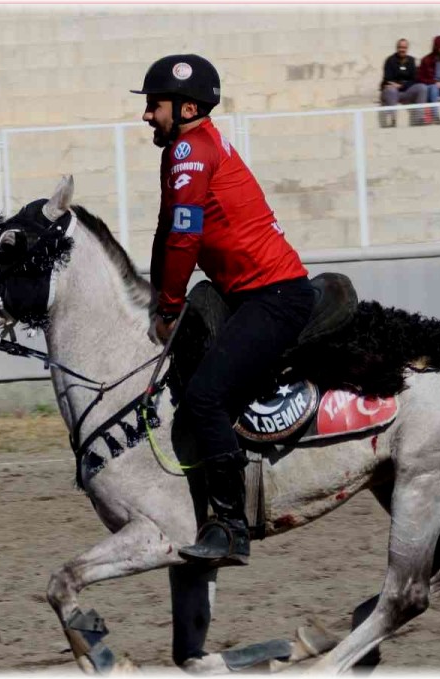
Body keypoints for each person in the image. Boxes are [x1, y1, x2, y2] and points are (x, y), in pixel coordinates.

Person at [131, 54, 314, 568]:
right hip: (250, 292)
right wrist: (157, 298)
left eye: (154, 105)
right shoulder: (183, 150)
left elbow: (184, 236)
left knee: (206, 397)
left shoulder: (191, 149)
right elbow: (167, 232)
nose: (147, 115)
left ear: (187, 107)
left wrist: (168, 305)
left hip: (274, 296)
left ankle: (231, 528)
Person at [379, 38, 429, 127]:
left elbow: (415, 79)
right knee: (391, 90)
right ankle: (392, 120)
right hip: (392, 92)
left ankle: (419, 117)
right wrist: (397, 85)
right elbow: (388, 79)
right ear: (397, 48)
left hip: (406, 91)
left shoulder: (411, 61)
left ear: (407, 48)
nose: (402, 50)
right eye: (400, 47)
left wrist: (402, 85)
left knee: (422, 87)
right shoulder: (390, 61)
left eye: (404, 48)